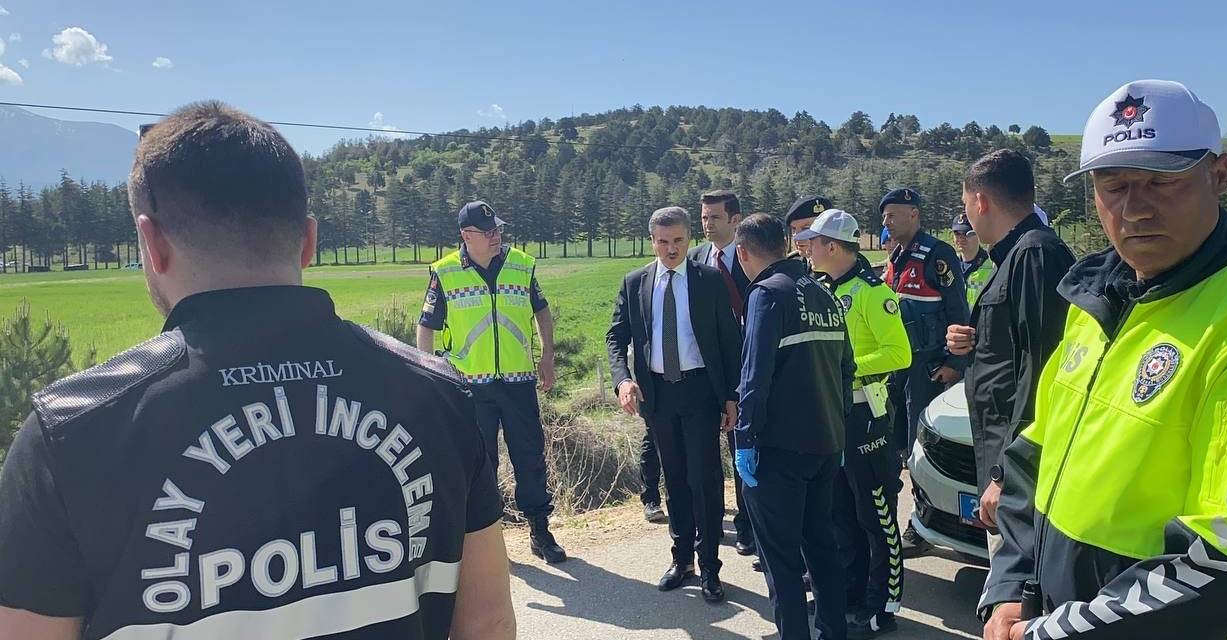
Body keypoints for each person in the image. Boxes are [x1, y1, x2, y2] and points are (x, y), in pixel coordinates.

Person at [0, 102, 515, 640]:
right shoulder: (440, 396)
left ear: (151, 244)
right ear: (309, 241)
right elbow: (489, 621)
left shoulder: (70, 434)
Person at [979, 79, 1227, 640]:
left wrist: (1051, 631)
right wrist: (1013, 590)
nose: (1135, 209)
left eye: (1161, 182)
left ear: (1219, 175)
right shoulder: (1092, 305)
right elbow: (1034, 456)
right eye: (1113, 186)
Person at [942, 150, 1075, 564]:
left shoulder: (1035, 255)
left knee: (1020, 596)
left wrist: (1008, 473)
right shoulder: (1015, 257)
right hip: (1007, 462)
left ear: (980, 201)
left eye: (966, 205)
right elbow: (1013, 350)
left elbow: (1042, 374)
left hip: (1023, 476)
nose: (968, 216)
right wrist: (975, 340)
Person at [605, 206, 742, 603]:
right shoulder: (635, 284)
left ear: (688, 238)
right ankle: (682, 560)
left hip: (700, 392)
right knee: (676, 479)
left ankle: (711, 568)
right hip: (659, 397)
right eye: (663, 242)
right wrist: (623, 380)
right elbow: (616, 338)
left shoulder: (710, 280)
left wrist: (730, 395)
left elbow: (730, 342)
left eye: (679, 240)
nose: (671, 249)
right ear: (652, 241)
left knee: (706, 480)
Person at [416, 200, 565, 564]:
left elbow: (540, 310)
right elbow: (426, 328)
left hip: (517, 382)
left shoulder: (521, 265)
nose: (497, 236)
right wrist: (430, 376)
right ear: (467, 236)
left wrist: (547, 355)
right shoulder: (445, 272)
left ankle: (540, 531)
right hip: (469, 388)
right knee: (481, 466)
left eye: (498, 229)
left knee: (529, 458)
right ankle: (488, 541)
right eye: (488, 232)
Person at [734, 213, 853, 640]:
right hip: (825, 444)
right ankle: (832, 631)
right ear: (786, 243)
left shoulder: (767, 294)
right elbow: (846, 368)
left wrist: (744, 438)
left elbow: (754, 375)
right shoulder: (823, 293)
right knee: (820, 547)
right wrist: (838, 430)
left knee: (781, 560)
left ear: (743, 252)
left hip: (779, 451)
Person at [800, 209, 912, 638]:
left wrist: (843, 368)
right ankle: (847, 593)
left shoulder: (871, 292)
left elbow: (898, 353)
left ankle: (883, 604)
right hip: (835, 413)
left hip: (867, 415)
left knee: (876, 514)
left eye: (814, 242)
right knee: (840, 512)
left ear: (833, 246)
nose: (807, 248)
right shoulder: (824, 289)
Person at [880, 187, 969, 555]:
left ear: (913, 214)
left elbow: (958, 313)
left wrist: (954, 363)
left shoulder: (937, 255)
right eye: (884, 216)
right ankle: (911, 516)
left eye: (892, 214)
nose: (886, 221)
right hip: (898, 368)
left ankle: (923, 523)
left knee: (923, 447)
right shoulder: (895, 258)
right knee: (900, 443)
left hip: (928, 368)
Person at [689, 189, 755, 556]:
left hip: (745, 368)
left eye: (714, 217)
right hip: (705, 372)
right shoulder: (697, 259)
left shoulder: (751, 258)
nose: (707, 224)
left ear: (734, 220)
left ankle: (747, 523)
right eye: (703, 217)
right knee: (704, 455)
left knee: (742, 448)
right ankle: (711, 523)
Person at [951, 213, 994, 307]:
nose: (961, 238)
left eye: (967, 233)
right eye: (957, 233)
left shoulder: (993, 266)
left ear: (978, 234)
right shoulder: (950, 266)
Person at [786, 195, 835, 262]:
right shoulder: (792, 264)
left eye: (806, 228)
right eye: (794, 229)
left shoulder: (846, 268)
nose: (797, 236)